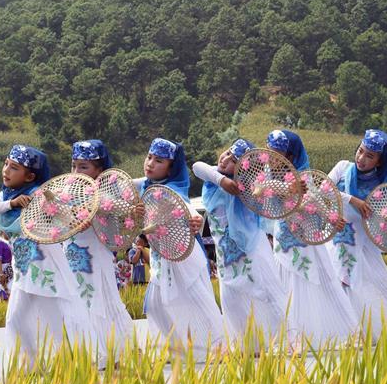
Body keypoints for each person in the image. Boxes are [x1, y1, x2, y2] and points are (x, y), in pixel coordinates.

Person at [0, 144, 85, 358]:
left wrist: (77, 220)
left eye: (14, 167)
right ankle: (28, 366)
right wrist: (12, 203)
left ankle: (68, 366)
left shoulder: (41, 196)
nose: (6, 170)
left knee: (54, 322)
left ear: (29, 177)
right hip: (22, 273)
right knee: (14, 319)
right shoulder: (6, 196)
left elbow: (66, 216)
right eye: (6, 164)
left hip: (45, 272)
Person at [326, 129, 387, 343]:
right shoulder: (343, 168)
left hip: (365, 244)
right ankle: (352, 333)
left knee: (386, 285)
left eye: (369, 156)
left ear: (379, 162)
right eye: (361, 151)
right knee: (339, 285)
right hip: (339, 239)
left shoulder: (384, 187)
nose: (361, 158)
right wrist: (353, 200)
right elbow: (323, 189)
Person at [265, 129, 359, 347]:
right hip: (284, 239)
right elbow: (261, 189)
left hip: (306, 236)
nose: (272, 159)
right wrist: (287, 187)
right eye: (270, 152)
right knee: (286, 286)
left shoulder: (304, 177)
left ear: (290, 157)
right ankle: (293, 336)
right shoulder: (267, 179)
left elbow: (315, 198)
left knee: (322, 281)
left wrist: (331, 217)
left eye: (277, 154)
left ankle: (347, 332)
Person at [134, 137, 225, 358]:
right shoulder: (144, 185)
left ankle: (217, 347)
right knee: (156, 303)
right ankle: (173, 349)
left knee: (195, 298)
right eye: (149, 157)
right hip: (161, 255)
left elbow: (188, 210)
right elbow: (124, 186)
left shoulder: (172, 189)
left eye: (159, 161)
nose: (150, 163)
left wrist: (195, 220)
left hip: (182, 254)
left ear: (171, 168)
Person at [192, 138, 287, 343]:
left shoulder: (249, 186)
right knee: (232, 297)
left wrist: (290, 188)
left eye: (234, 160)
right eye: (227, 153)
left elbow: (272, 186)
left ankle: (288, 337)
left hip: (251, 248)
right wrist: (222, 181)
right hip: (225, 253)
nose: (225, 159)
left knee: (266, 291)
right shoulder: (213, 177)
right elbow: (196, 166)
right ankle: (245, 343)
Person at [67, 139, 136, 356]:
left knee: (102, 298)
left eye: (84, 167)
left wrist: (93, 203)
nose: (77, 171)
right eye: (74, 165)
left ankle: (115, 352)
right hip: (70, 252)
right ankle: (89, 352)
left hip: (96, 252)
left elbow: (124, 206)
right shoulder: (67, 190)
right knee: (78, 299)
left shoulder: (107, 194)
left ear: (100, 170)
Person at [0, 233, 13, 301]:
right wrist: (1, 274)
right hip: (4, 270)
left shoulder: (12, 243)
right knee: (5, 294)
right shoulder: (0, 244)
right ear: (2, 232)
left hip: (12, 270)